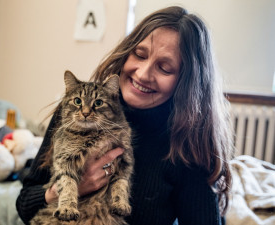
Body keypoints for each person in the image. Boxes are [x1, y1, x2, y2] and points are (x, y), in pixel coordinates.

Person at [16, 6, 233, 225]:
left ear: (186, 82)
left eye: (164, 68)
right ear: (127, 51)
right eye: (140, 54)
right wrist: (67, 189)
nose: (143, 74)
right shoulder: (74, 112)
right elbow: (25, 203)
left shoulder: (186, 147)